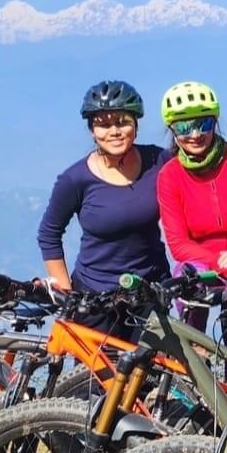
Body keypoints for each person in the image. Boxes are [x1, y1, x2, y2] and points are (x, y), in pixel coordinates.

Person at [37, 79, 169, 333]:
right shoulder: (75, 179)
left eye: (122, 122)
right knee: (95, 374)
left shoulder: (159, 160)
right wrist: (66, 292)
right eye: (104, 124)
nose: (114, 131)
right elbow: (49, 234)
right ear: (92, 131)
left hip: (150, 292)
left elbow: (199, 168)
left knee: (152, 372)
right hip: (94, 299)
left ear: (136, 125)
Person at [156, 80, 227, 340]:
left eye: (204, 124)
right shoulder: (170, 175)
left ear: (215, 122)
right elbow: (178, 244)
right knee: (187, 280)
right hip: (203, 265)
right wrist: (223, 265)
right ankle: (195, 354)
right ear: (172, 130)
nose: (195, 134)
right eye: (183, 127)